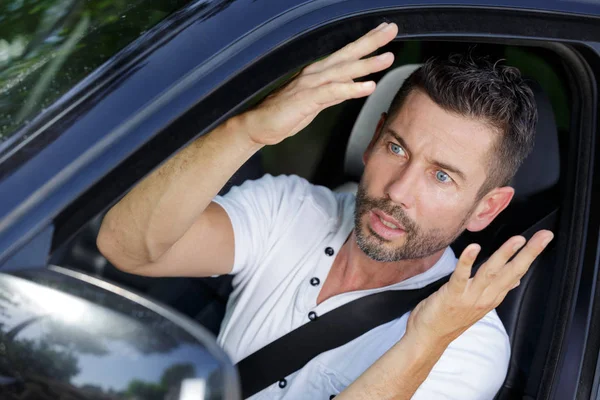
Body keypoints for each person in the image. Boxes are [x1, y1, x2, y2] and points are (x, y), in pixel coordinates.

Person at [97, 22, 554, 399]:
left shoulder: (467, 344)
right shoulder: (291, 207)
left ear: (485, 208)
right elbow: (127, 247)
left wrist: (425, 340)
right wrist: (248, 131)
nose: (398, 191)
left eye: (441, 177)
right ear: (373, 140)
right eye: (397, 148)